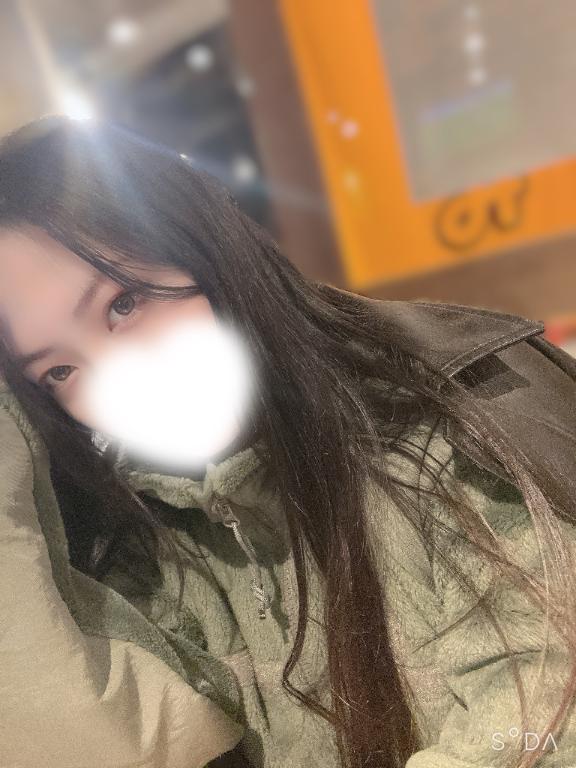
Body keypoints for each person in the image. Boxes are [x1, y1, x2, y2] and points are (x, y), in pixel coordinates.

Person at [0, 115, 575, 768]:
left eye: (124, 303)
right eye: (59, 372)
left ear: (207, 249)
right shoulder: (146, 544)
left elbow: (545, 730)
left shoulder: (442, 441)